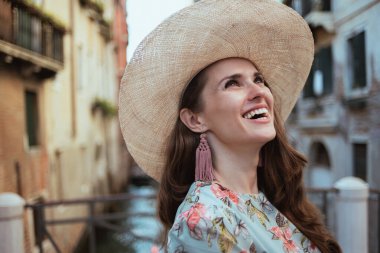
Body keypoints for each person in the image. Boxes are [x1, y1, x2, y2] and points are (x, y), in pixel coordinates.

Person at [119, 0, 342, 252]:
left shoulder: (275, 199)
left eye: (258, 79)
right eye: (232, 84)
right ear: (195, 119)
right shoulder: (204, 221)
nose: (259, 91)